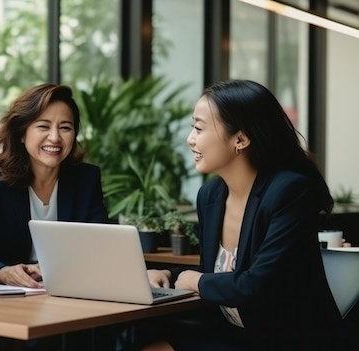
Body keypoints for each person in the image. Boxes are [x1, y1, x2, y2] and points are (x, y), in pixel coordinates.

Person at [141, 79, 343, 351]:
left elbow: (256, 284)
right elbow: (218, 273)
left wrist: (196, 280)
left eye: (199, 128)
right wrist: (169, 273)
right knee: (142, 341)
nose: (190, 139)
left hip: (290, 341)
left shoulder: (290, 192)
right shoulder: (211, 196)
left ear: (240, 139)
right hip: (234, 336)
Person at [0, 83, 108, 288]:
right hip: (13, 296)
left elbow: (102, 247)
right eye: (43, 126)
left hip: (72, 289)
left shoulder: (86, 179)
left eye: (65, 127)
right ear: (22, 133)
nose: (55, 137)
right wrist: (3, 273)